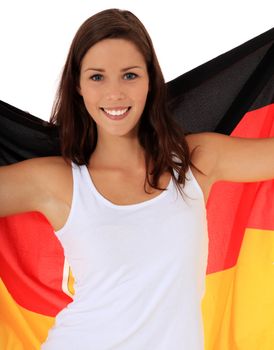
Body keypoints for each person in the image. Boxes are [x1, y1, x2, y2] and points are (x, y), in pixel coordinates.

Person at [0, 8, 273, 350]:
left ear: (150, 81)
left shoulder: (194, 162)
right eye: (97, 77)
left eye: (129, 75)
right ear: (78, 86)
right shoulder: (57, 181)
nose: (115, 93)